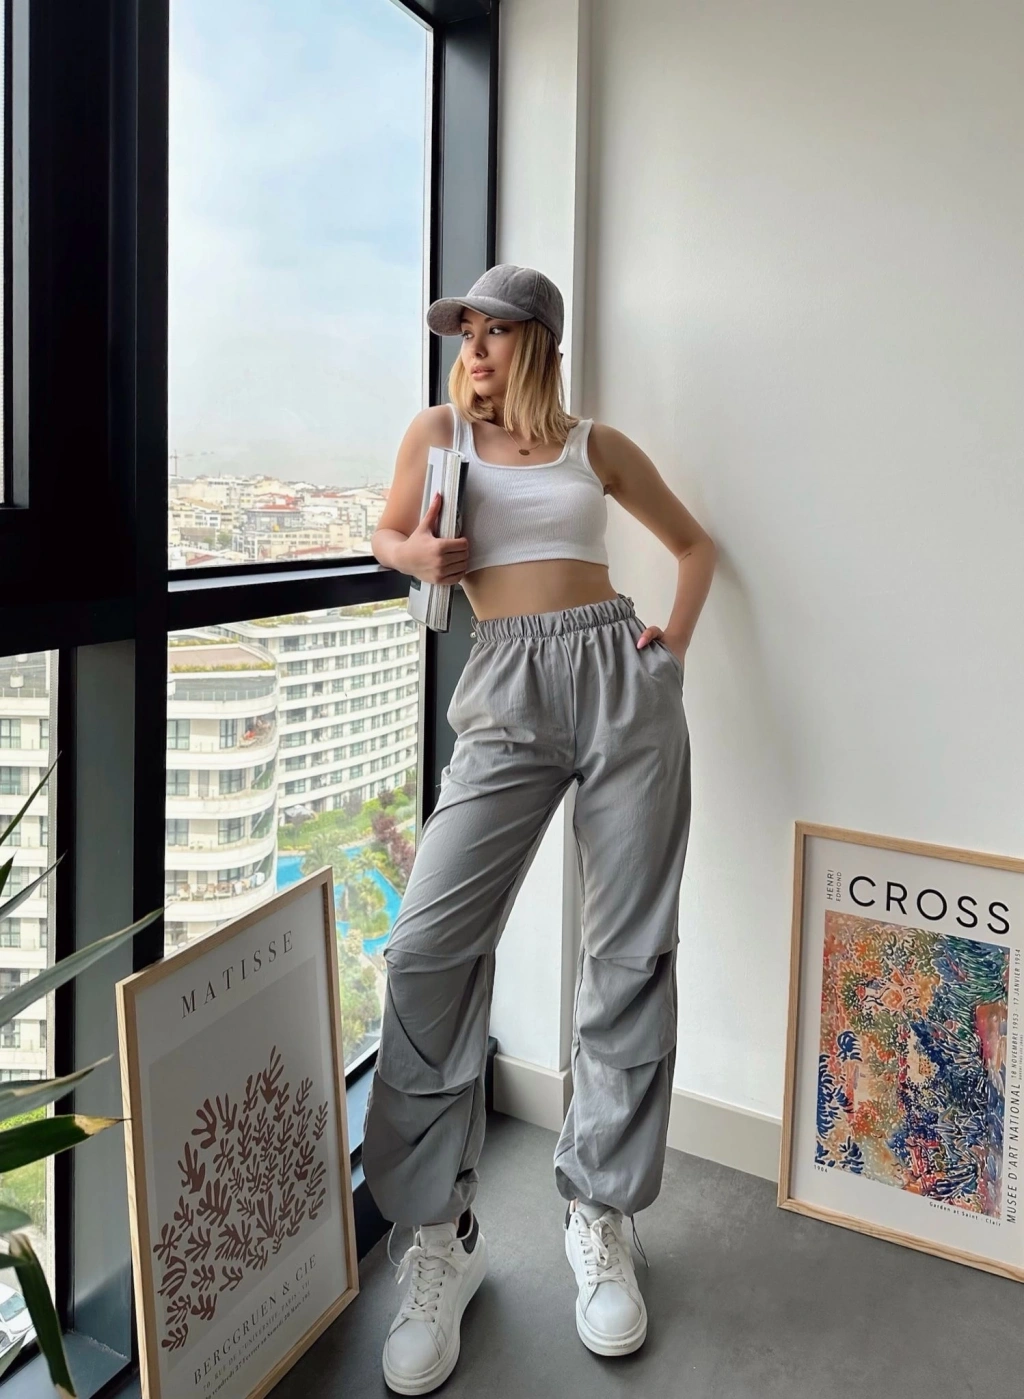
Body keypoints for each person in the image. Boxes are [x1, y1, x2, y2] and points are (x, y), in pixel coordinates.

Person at [365, 263, 717, 1394]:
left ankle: (599, 1212)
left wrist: (668, 650)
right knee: (427, 947)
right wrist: (415, 555)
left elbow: (694, 547)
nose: (472, 347)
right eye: (464, 329)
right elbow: (385, 535)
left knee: (628, 952)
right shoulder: (438, 438)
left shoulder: (593, 446)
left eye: (497, 330)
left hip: (621, 681)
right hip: (506, 686)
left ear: (544, 343)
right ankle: (441, 1236)